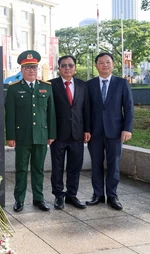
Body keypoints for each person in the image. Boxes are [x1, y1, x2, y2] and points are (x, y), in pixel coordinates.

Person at [5, 50, 56, 212]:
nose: (31, 70)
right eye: (27, 68)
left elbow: (51, 113)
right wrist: (10, 136)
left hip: (41, 135)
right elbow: (10, 115)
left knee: (38, 169)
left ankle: (38, 199)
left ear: (38, 69)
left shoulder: (46, 88)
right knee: (20, 169)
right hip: (22, 136)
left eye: (34, 67)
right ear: (21, 70)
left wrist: (52, 134)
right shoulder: (13, 89)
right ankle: (19, 200)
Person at [86, 52, 134, 210]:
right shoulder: (90, 84)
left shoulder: (122, 83)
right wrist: (86, 130)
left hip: (115, 131)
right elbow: (86, 110)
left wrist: (127, 128)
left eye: (108, 62)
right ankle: (98, 195)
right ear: (96, 66)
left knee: (114, 165)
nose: (105, 65)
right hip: (95, 132)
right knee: (96, 164)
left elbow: (128, 107)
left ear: (113, 64)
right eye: (101, 62)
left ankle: (112, 196)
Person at [49, 55, 91, 210]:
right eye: (64, 65)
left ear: (75, 67)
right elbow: (48, 110)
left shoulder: (82, 85)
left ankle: (72, 195)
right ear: (59, 68)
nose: (67, 68)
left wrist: (87, 129)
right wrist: (50, 133)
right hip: (58, 134)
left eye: (70, 65)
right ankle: (58, 196)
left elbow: (86, 108)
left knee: (75, 166)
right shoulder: (51, 84)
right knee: (57, 167)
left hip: (77, 134)